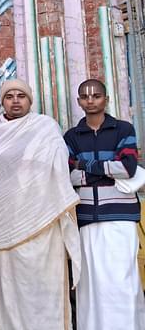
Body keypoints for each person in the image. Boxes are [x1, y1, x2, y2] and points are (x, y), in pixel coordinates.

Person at [0, 79, 81, 330]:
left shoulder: (46, 127)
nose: (15, 100)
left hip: (44, 218)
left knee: (45, 280)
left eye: (21, 96)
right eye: (9, 96)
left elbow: (58, 168)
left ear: (30, 100)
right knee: (14, 282)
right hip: (11, 218)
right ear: (2, 101)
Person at [64, 78, 145, 329]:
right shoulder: (72, 136)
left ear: (105, 99)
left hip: (120, 217)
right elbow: (68, 175)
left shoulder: (123, 129)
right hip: (87, 217)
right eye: (85, 97)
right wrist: (107, 170)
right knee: (92, 282)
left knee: (122, 281)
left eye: (96, 95)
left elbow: (128, 167)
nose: (91, 100)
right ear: (79, 102)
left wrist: (86, 167)